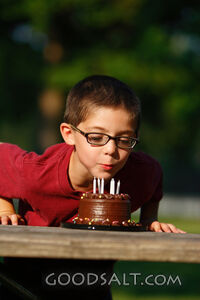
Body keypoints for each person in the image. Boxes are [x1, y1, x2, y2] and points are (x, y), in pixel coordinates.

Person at [0, 75, 185, 300]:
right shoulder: (36, 174)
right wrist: (5, 208)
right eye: (96, 137)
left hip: (92, 286)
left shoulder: (140, 173)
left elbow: (153, 177)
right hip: (24, 285)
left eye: (125, 140)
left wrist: (148, 220)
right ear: (69, 134)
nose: (111, 150)